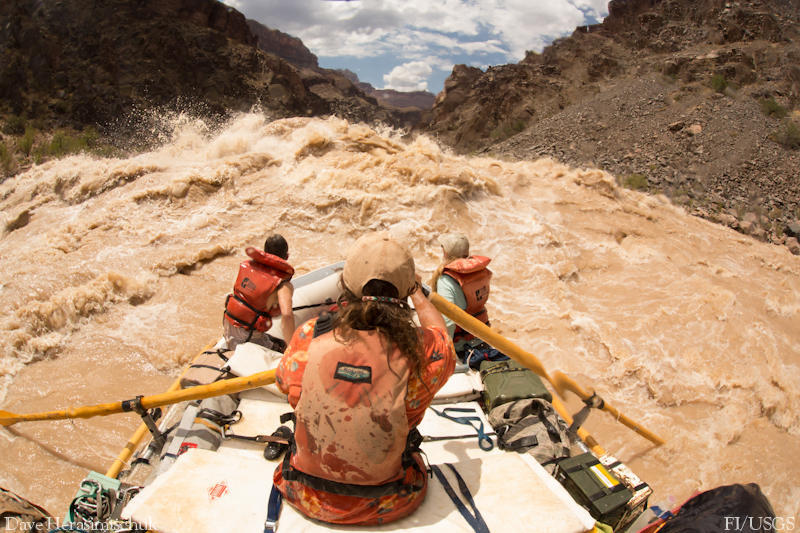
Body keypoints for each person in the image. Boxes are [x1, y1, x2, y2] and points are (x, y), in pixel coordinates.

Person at [273, 233, 456, 526]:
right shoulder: (424, 351)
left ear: (347, 284)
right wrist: (418, 294)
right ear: (405, 290)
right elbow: (444, 340)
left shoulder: (310, 334)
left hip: (303, 490)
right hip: (388, 499)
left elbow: (286, 384)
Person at [430, 233, 508, 368]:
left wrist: (443, 355)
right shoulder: (479, 271)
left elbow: (448, 323)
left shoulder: (446, 280)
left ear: (445, 252)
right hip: (481, 337)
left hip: (461, 345)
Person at [223, 234, 295, 352]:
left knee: (275, 341)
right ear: (286, 256)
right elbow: (287, 315)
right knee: (282, 349)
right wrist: (292, 348)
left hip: (228, 325)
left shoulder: (248, 265)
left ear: (265, 253)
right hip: (247, 336)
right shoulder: (283, 284)